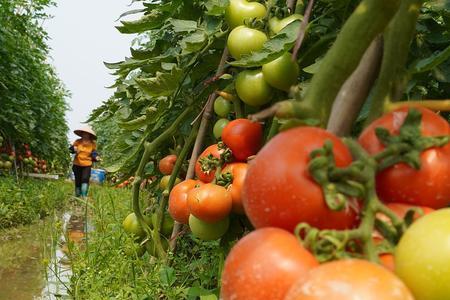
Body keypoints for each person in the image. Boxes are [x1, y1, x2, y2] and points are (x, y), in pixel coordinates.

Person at [69, 125, 100, 197]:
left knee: (85, 179)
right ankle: (77, 194)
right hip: (77, 164)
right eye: (84, 133)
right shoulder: (78, 142)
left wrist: (96, 157)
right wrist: (74, 149)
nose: (85, 135)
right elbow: (71, 149)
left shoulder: (92, 144)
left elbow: (94, 153)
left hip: (87, 164)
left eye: (87, 133)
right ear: (82, 134)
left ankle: (84, 195)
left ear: (90, 135)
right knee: (78, 179)